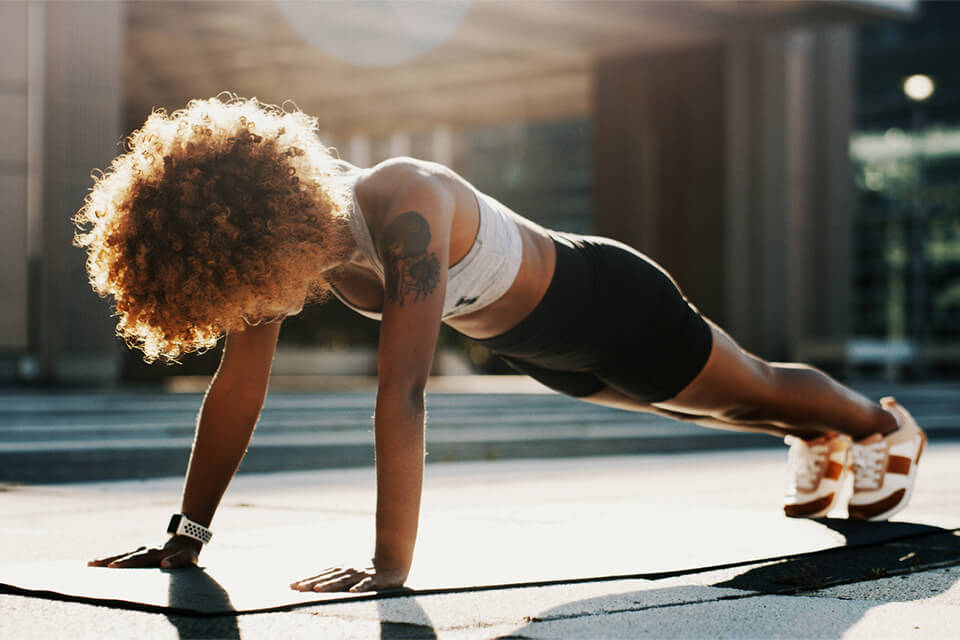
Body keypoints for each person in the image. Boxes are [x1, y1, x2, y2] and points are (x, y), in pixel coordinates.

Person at [80, 96, 926, 593]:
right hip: (537, 347)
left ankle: (878, 425)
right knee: (701, 410)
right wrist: (186, 534)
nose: (247, 304)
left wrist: (388, 567)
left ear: (260, 215)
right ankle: (813, 435)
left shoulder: (401, 199)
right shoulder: (282, 260)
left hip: (608, 303)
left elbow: (403, 392)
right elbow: (238, 390)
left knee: (752, 385)